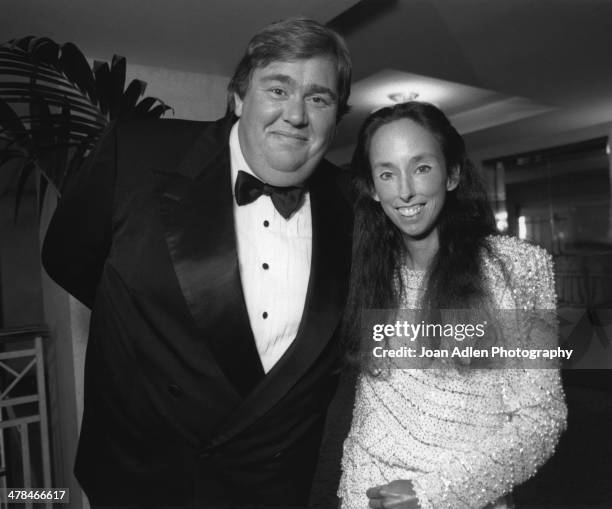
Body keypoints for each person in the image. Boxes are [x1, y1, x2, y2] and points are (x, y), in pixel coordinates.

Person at [42, 17, 353, 508]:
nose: (296, 114)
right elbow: (67, 259)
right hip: (147, 479)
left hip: (277, 487)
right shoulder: (137, 154)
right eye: (278, 88)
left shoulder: (353, 202)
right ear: (237, 97)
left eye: (319, 98)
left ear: (336, 117)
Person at [337, 102, 567, 509]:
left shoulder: (516, 269)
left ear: (453, 174)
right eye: (387, 173)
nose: (404, 190)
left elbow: (541, 422)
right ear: (372, 188)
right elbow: (370, 418)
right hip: (367, 495)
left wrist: (432, 494)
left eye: (421, 167)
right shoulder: (370, 273)